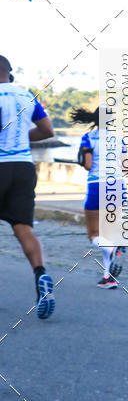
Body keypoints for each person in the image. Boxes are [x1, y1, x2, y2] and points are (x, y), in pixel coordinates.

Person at [0, 55, 55, 318]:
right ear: (9, 74)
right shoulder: (26, 95)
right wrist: (22, 137)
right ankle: (40, 274)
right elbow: (47, 131)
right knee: (23, 228)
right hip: (23, 168)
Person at [71, 107, 125, 289]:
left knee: (94, 235)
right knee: (107, 235)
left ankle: (114, 249)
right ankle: (107, 277)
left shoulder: (89, 138)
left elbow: (87, 165)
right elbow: (126, 167)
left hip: (97, 185)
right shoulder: (119, 139)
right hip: (118, 186)